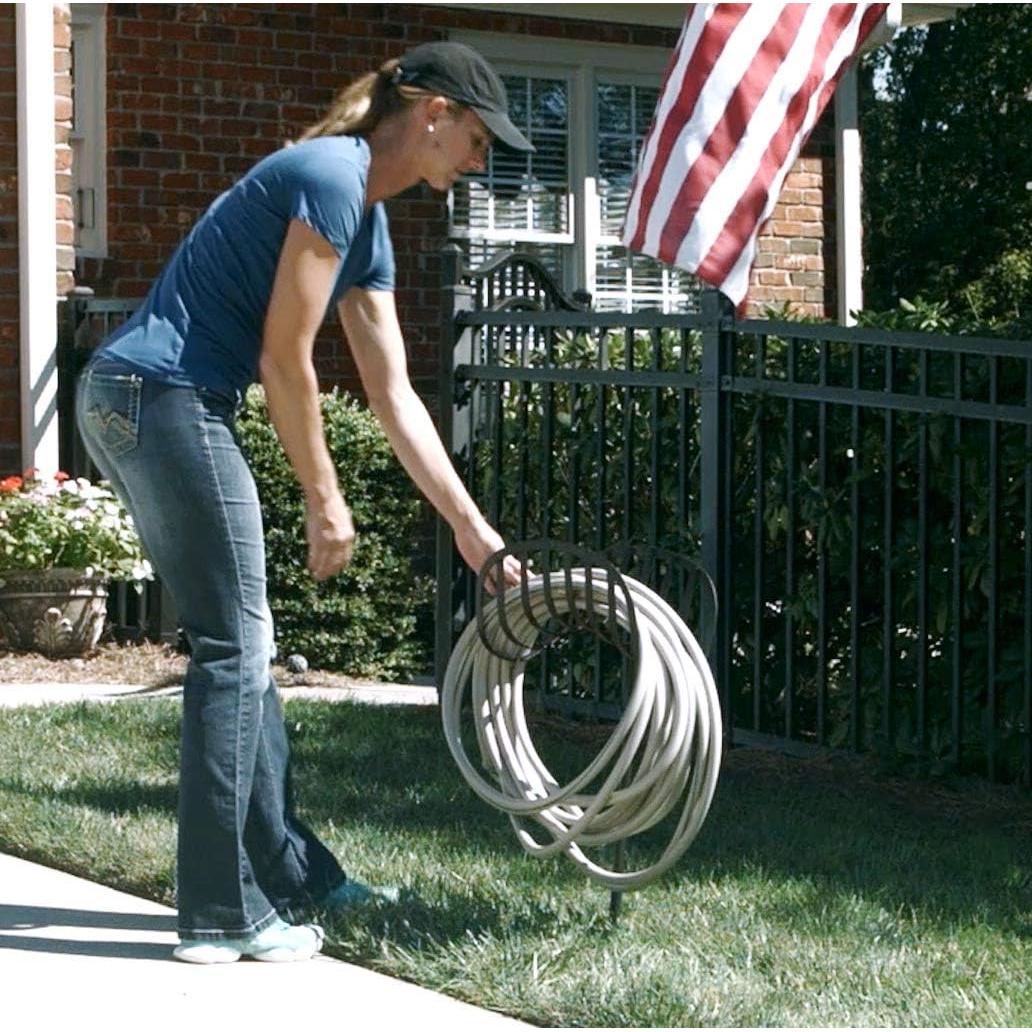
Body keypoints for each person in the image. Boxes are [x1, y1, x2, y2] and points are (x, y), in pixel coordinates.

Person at [75, 41, 528, 965]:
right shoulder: (330, 175)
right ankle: (220, 914)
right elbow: (285, 356)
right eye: (479, 141)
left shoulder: (366, 217)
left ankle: (293, 879)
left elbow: (395, 395)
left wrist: (476, 536)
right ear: (434, 114)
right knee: (235, 650)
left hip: (136, 397)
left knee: (240, 646)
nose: (480, 163)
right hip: (164, 397)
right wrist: (325, 497)